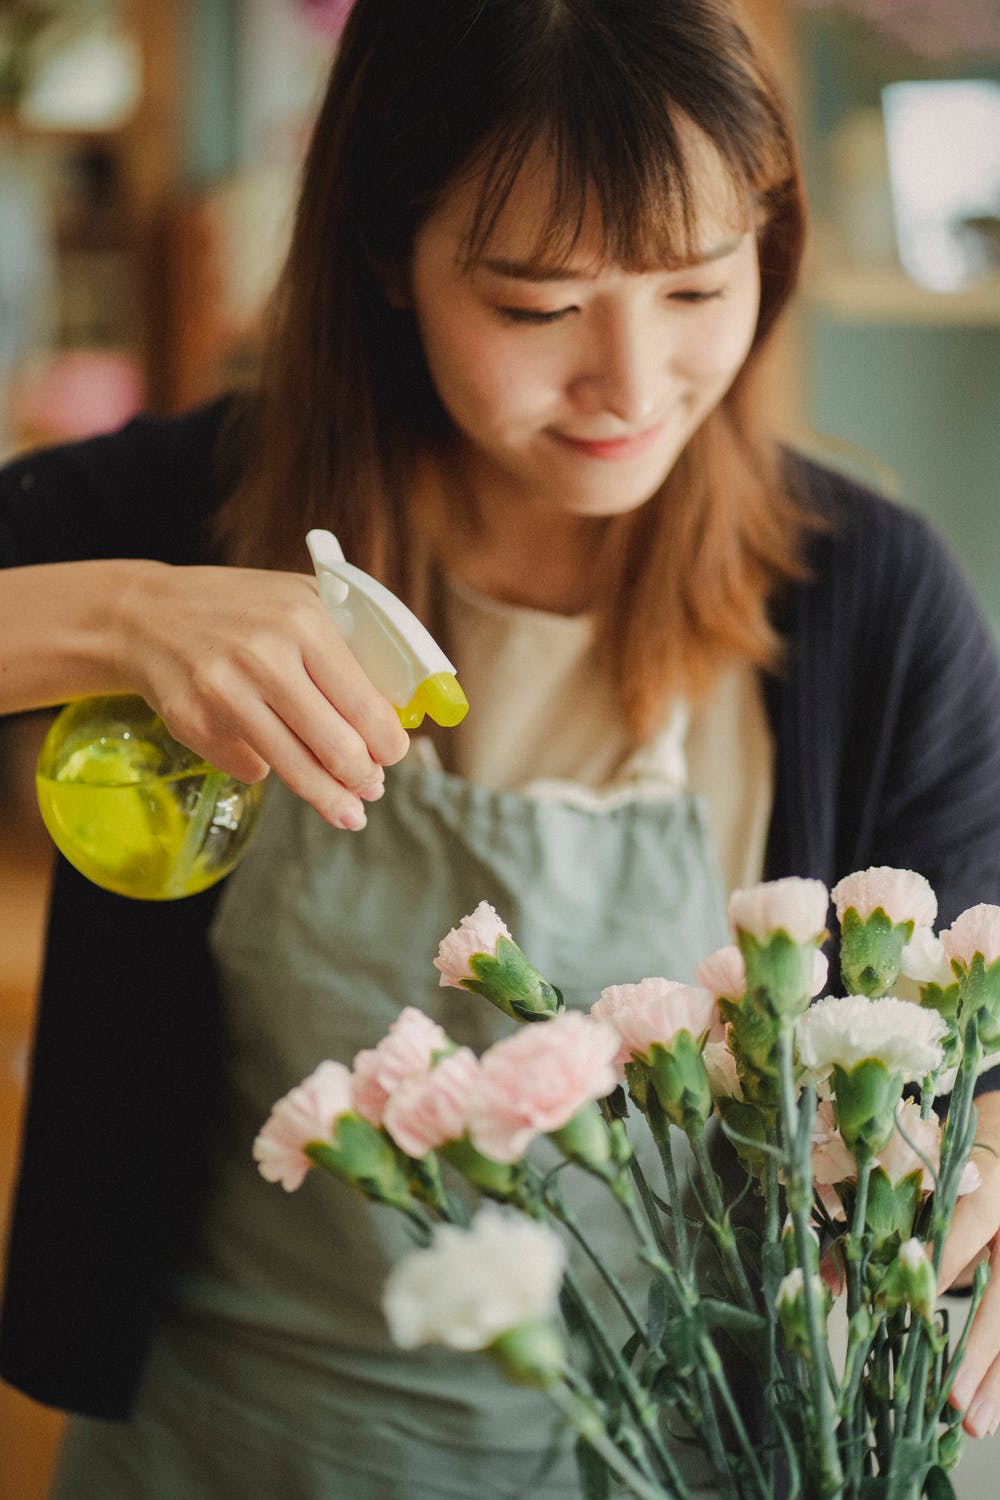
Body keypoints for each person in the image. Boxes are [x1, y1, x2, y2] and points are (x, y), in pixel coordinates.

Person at [2, 1, 1000, 1495]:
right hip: (230, 1446)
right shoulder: (172, 518)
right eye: (539, 307)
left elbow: (971, 1028)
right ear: (386, 261)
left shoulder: (871, 598)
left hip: (691, 1457)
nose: (632, 382)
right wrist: (118, 618)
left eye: (697, 287)